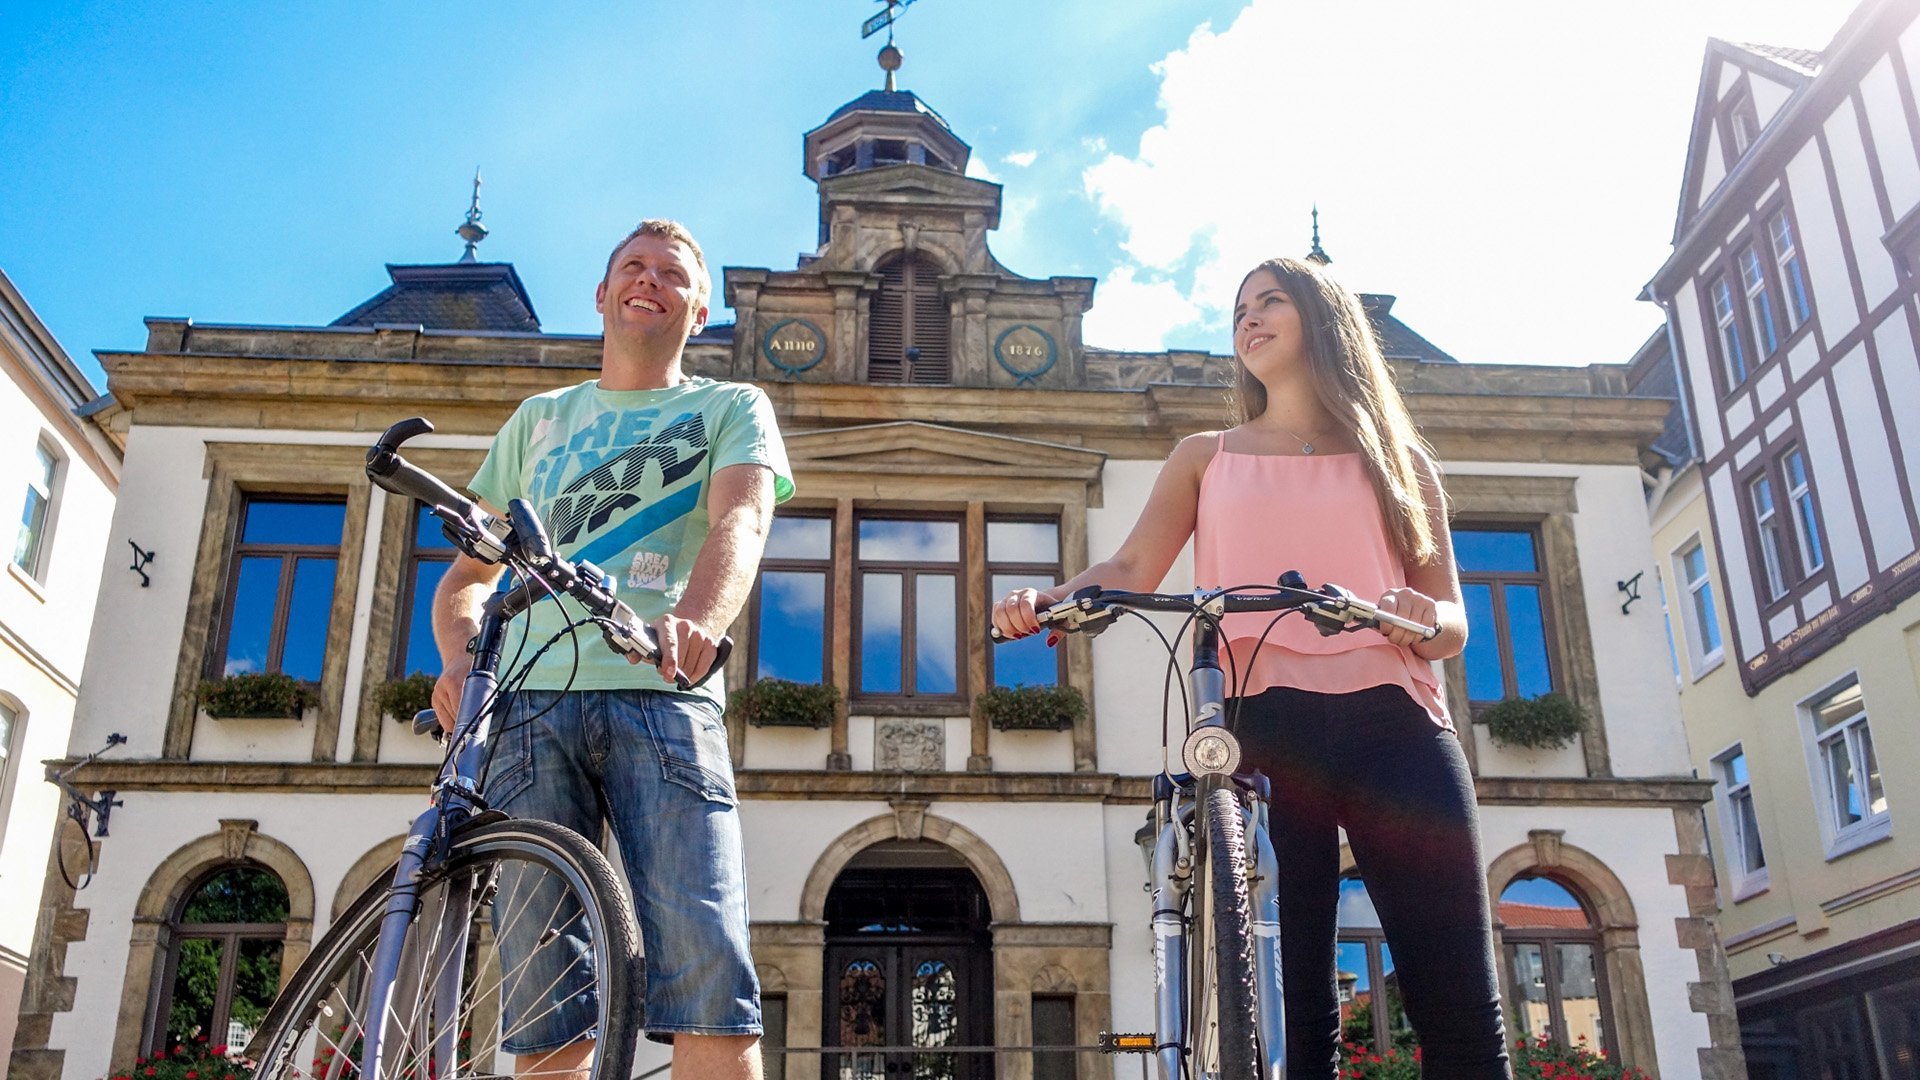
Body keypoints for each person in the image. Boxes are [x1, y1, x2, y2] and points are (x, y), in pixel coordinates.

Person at [991, 257, 1508, 1078]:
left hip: (1397, 722)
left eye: (1271, 301)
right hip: (1261, 729)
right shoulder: (1206, 456)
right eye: (1239, 309)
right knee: (1288, 1009)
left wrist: (1421, 615)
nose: (1249, 319)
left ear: (1323, 319)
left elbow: (1452, 621)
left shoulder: (1402, 463)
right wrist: (1046, 601)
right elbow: (1129, 569)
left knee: (1460, 1004)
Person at [432, 219, 792, 1080]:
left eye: (673, 274)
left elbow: (742, 517)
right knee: (541, 991)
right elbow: (464, 582)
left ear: (697, 311)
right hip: (527, 710)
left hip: (663, 696)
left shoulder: (728, 407)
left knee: (707, 971)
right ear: (601, 295)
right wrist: (458, 662)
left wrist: (699, 618)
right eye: (632, 267)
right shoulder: (537, 420)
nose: (649, 280)